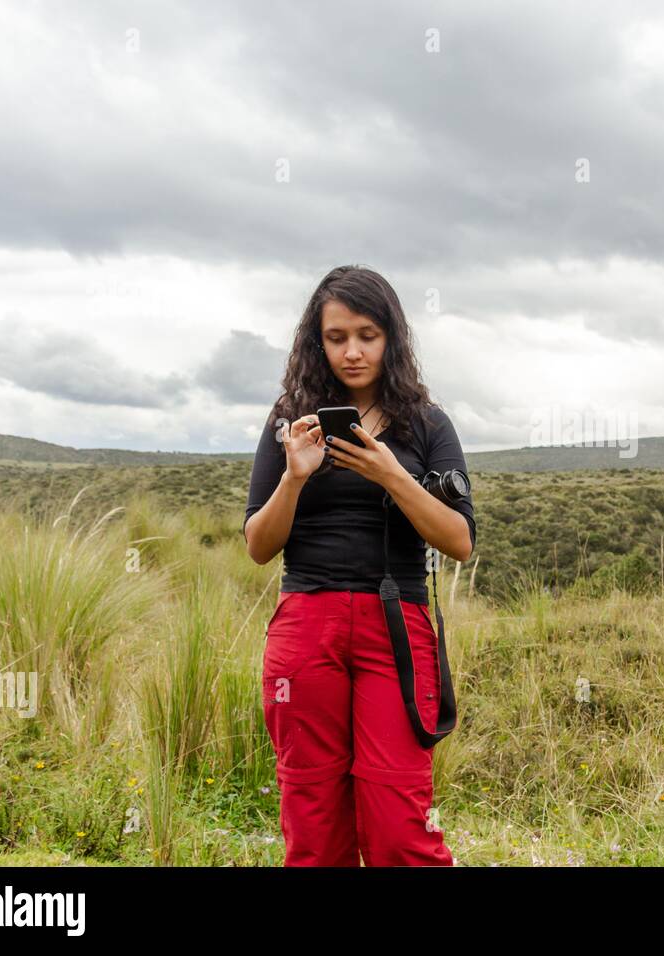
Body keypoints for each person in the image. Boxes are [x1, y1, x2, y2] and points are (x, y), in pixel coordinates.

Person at [242, 265, 475, 866]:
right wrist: (295, 476)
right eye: (336, 336)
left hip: (395, 628)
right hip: (306, 625)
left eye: (367, 335)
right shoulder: (289, 420)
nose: (351, 351)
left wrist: (390, 474)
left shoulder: (427, 424)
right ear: (316, 341)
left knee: (400, 825)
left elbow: (459, 541)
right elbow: (258, 546)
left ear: (391, 338)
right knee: (315, 827)